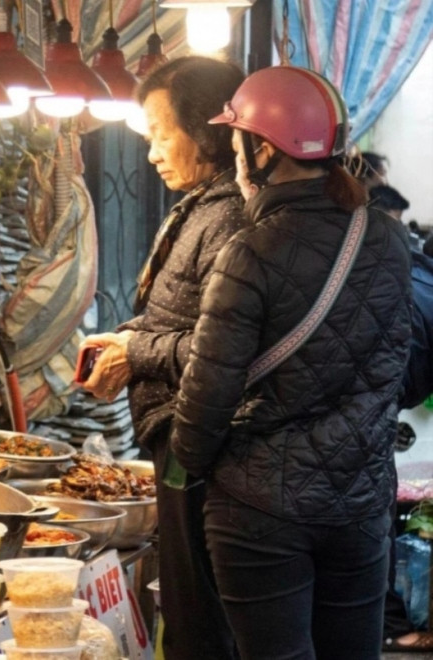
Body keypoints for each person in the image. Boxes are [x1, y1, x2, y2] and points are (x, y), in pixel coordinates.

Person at [171, 66, 412, 659]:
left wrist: (187, 467)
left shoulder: (249, 251)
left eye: (236, 142)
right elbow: (396, 365)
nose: (234, 155)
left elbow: (208, 393)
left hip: (260, 510)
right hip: (360, 504)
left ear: (261, 149)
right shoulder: (385, 238)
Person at [79, 56, 246, 660]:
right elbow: (182, 315)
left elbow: (228, 347)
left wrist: (138, 351)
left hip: (199, 442)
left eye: (159, 133)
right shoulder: (203, 204)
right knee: (186, 605)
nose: (151, 152)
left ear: (207, 130)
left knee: (198, 612)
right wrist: (123, 342)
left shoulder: (230, 216)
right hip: (175, 434)